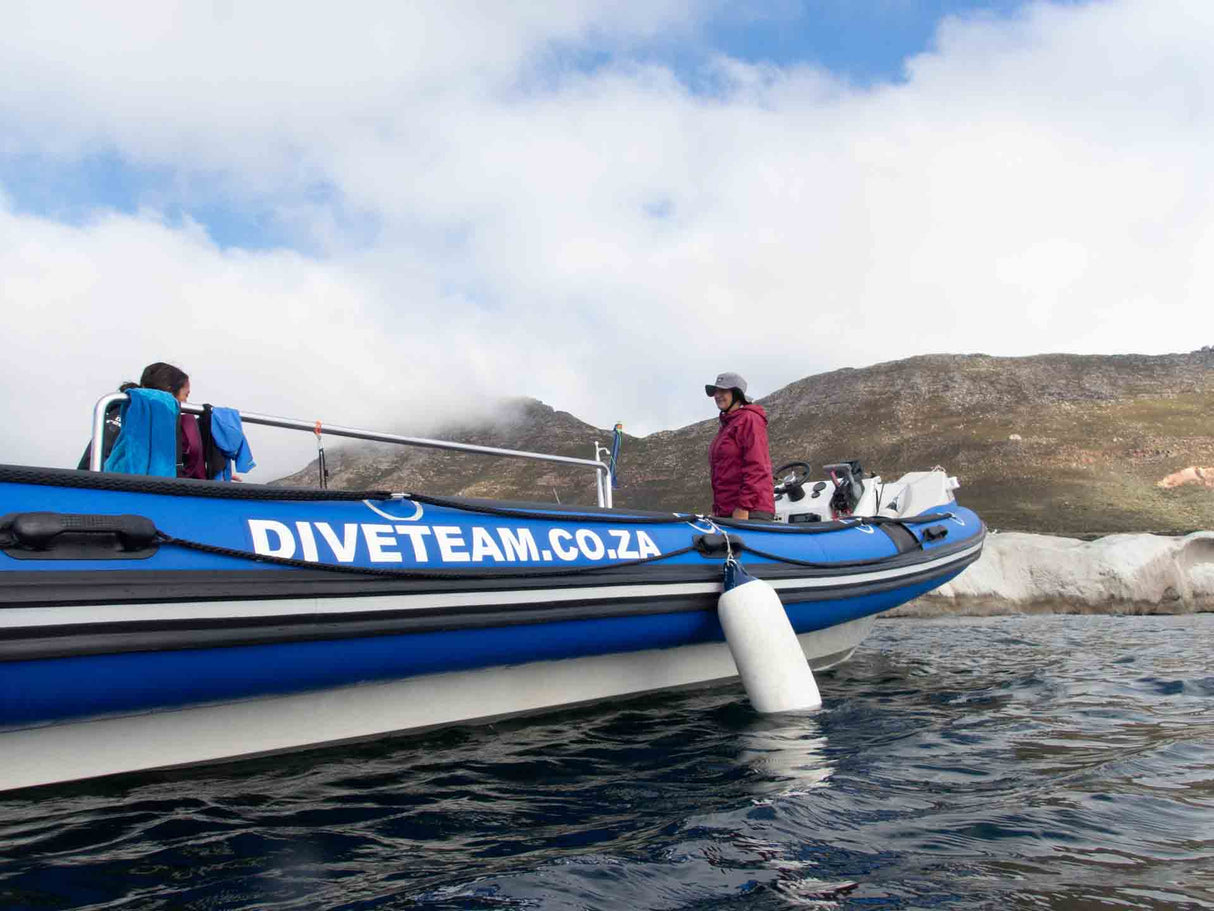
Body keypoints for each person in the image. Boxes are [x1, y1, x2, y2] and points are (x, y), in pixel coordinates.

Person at [705, 371, 775, 520]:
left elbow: (757, 467)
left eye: (723, 391)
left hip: (749, 512)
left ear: (736, 394)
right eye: (716, 391)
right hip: (728, 512)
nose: (717, 395)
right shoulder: (728, 424)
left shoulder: (750, 419)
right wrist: (718, 510)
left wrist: (744, 506)